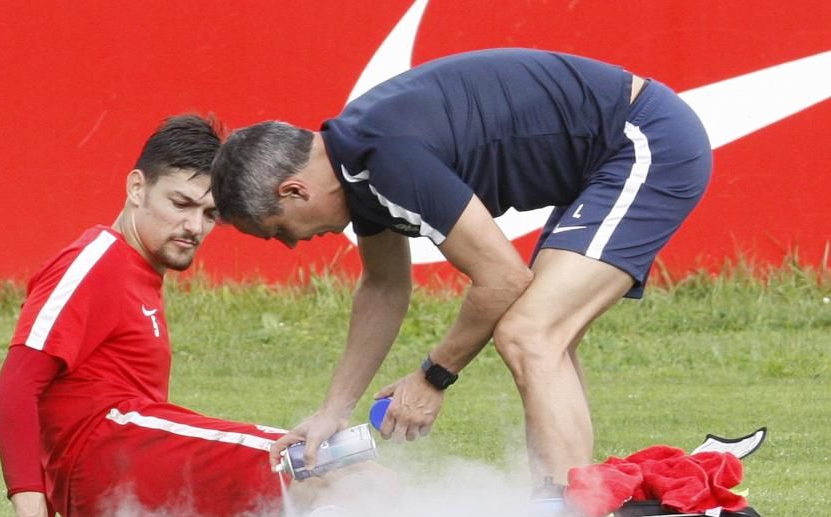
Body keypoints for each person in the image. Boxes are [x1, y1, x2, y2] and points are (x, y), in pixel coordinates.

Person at [211, 48, 713, 485]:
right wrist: (332, 412)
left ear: (293, 191)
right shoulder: (354, 165)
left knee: (530, 335)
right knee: (543, 339)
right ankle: (570, 503)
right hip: (604, 158)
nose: (292, 245)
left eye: (277, 230)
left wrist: (433, 376)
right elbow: (385, 287)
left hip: (643, 139)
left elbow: (504, 277)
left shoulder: (386, 156)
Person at [0, 115, 350, 517]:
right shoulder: (96, 260)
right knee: (332, 466)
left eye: (209, 216)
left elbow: (65, 408)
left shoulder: (139, 272)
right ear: (137, 187)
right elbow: (16, 390)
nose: (193, 227)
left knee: (299, 513)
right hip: (118, 466)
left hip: (118, 514)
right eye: (181, 203)